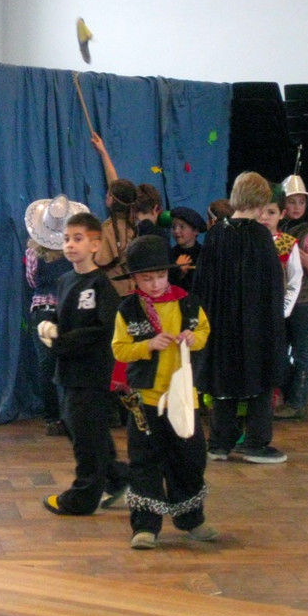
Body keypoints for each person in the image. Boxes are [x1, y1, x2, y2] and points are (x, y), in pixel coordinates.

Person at [111, 235, 215, 548]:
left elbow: (204, 331)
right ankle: (145, 527)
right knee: (145, 460)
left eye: (160, 276)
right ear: (135, 279)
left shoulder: (188, 302)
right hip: (145, 400)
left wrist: (193, 338)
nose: (155, 284)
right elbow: (119, 349)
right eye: (147, 278)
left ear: (168, 273)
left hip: (183, 398)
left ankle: (191, 518)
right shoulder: (128, 310)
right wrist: (146, 345)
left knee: (190, 459)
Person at [37, 211, 130, 515]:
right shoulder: (65, 280)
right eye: (66, 239)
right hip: (68, 371)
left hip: (92, 373)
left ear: (95, 244)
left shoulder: (100, 284)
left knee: (86, 436)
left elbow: (103, 329)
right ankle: (120, 477)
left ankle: (83, 497)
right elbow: (61, 316)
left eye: (78, 239)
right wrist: (49, 324)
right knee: (83, 430)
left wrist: (62, 340)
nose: (70, 245)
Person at [193, 172, 287, 464]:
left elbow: (202, 284)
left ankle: (219, 443)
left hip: (220, 324)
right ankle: (256, 442)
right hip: (255, 325)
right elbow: (272, 286)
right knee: (260, 378)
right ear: (260, 202)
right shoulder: (260, 236)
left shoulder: (216, 234)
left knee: (224, 381)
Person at [24, 194, 81, 436]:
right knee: (69, 364)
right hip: (69, 310)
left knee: (47, 366)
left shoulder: (32, 253)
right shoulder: (74, 251)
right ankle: (71, 416)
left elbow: (32, 281)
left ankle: (52, 419)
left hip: (44, 311)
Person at [275, 175, 308, 421]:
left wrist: (304, 259)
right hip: (286, 300)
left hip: (304, 299)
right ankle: (291, 397)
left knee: (301, 351)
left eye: (301, 202)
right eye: (292, 201)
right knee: (280, 351)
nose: (296, 207)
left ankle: (297, 403)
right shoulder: (281, 230)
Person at [90, 133, 138, 297]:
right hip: (132, 288)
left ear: (112, 200)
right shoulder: (133, 221)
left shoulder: (109, 230)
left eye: (109, 194)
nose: (106, 195)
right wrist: (103, 152)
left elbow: (99, 260)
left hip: (115, 293)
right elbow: (115, 184)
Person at [258, 185, 303, 319]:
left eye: (271, 212)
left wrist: (283, 310)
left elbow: (294, 280)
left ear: (282, 214)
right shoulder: (247, 239)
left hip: (274, 309)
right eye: (261, 211)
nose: (264, 217)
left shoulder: (287, 243)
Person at [168, 206, 207, 293]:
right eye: (173, 227)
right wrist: (178, 272)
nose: (176, 231)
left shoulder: (204, 254)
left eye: (182, 227)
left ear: (196, 231)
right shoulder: (170, 255)